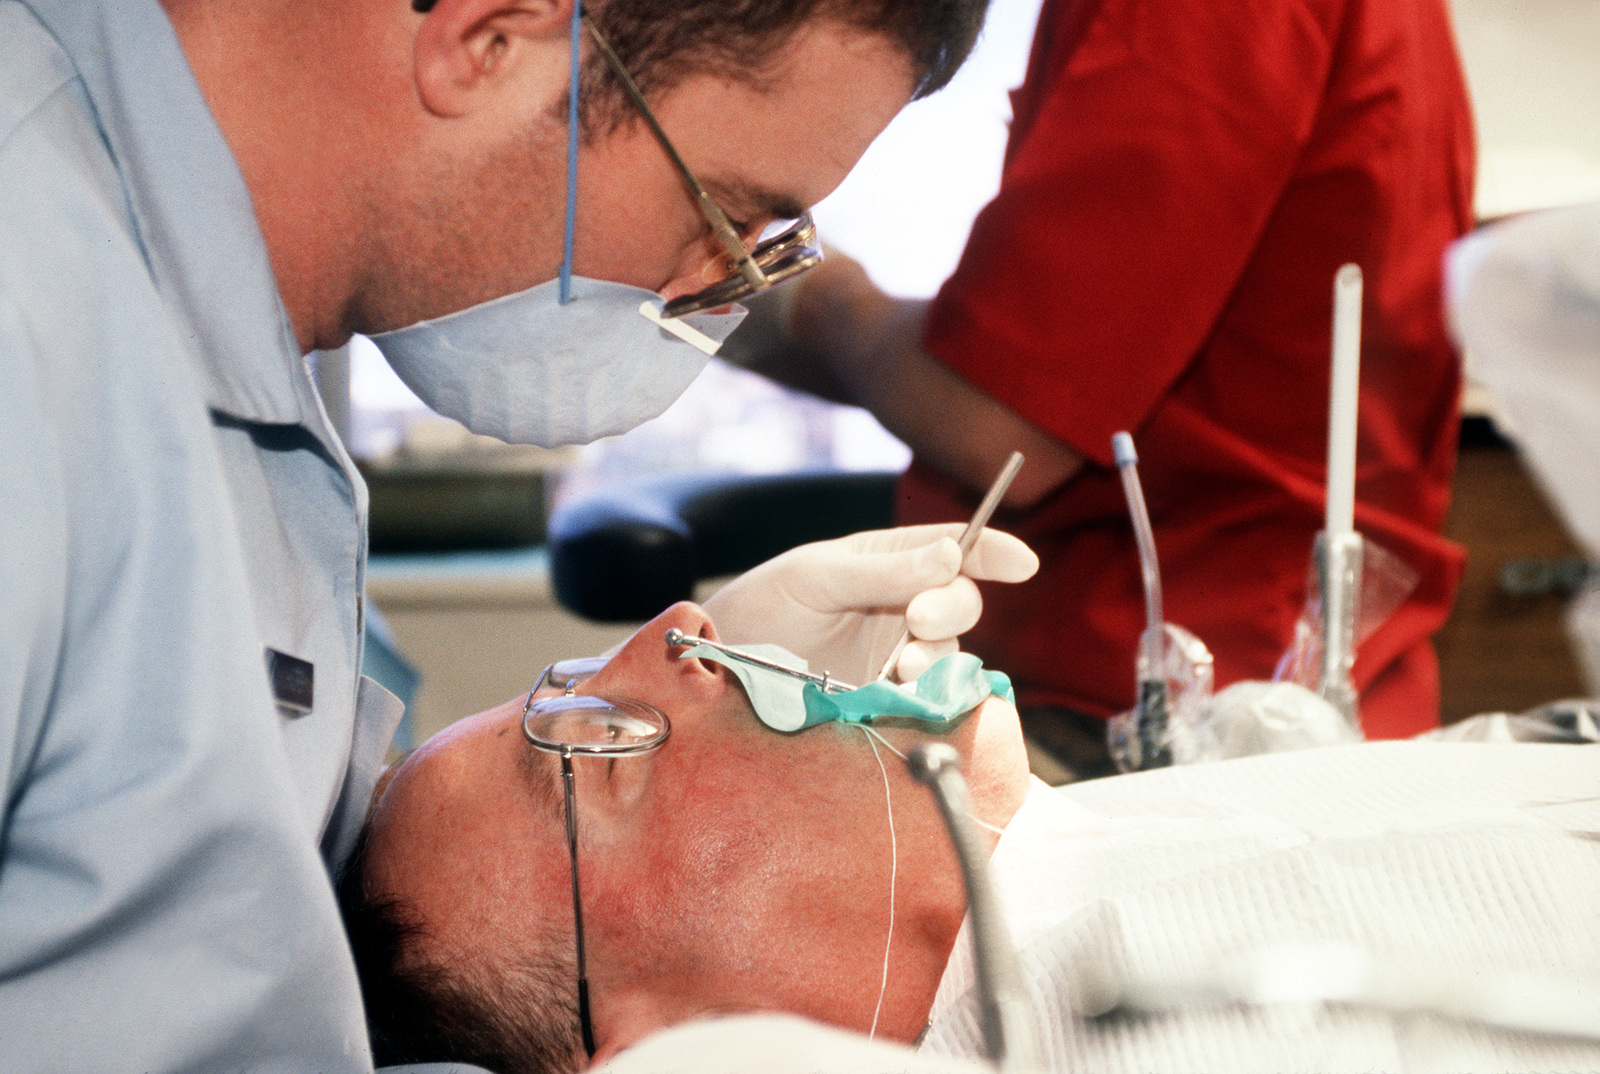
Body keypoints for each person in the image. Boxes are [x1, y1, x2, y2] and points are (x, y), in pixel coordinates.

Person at [0, 0, 1000, 1069]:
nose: (709, 293)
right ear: (488, 40)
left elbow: (207, 871)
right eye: (721, 213)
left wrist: (591, 779)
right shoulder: (34, 335)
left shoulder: (266, 281)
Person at [349, 600, 1600, 1074]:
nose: (677, 633)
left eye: (573, 680)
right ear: (675, 1050)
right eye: (593, 748)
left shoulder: (1080, 856)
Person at [729, 0, 1476, 775]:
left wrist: (804, 297)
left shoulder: (1202, 18)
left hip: (1179, 730)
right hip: (1285, 705)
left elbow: (1004, 422)